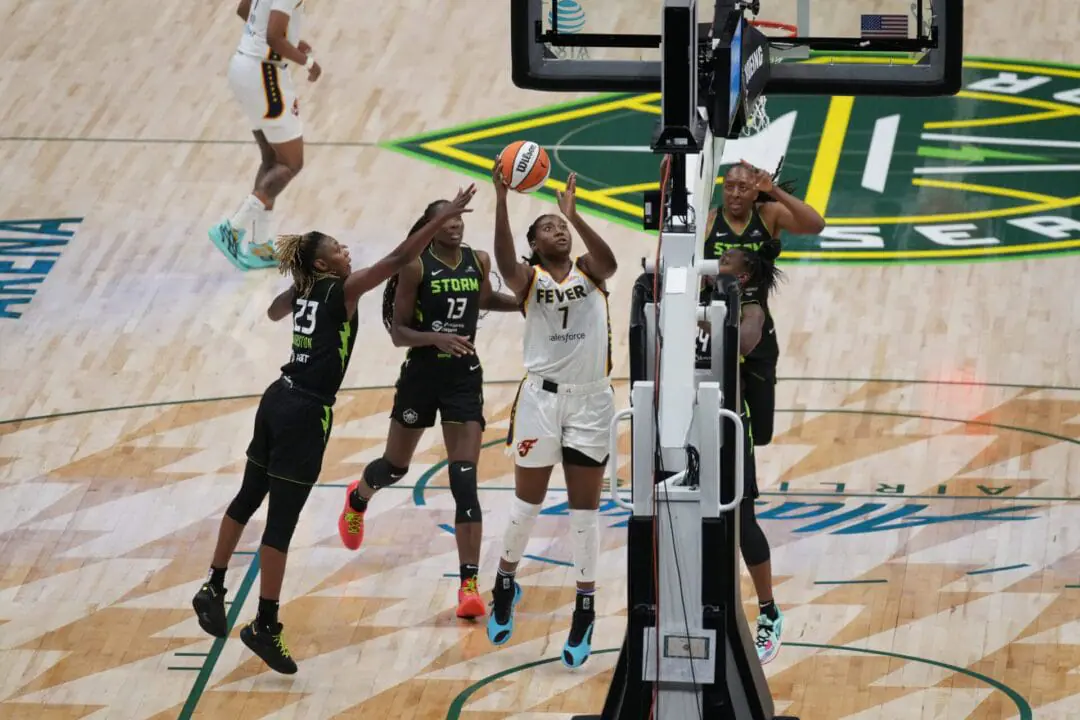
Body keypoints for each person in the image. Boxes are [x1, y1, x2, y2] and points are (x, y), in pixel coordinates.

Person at [190, 184, 476, 675]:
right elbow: (400, 256)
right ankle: (265, 624)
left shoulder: (304, 288)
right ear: (324, 265)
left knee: (246, 497)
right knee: (280, 525)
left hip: (275, 397)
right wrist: (440, 218)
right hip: (305, 413)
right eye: (338, 249)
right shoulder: (343, 289)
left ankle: (213, 585)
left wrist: (299, 283)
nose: (347, 252)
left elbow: (274, 311)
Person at [336, 200, 520, 620]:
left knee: (464, 477)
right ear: (431, 226)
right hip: (421, 375)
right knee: (395, 468)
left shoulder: (478, 259)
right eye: (446, 219)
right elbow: (399, 332)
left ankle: (469, 584)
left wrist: (529, 302)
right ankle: (359, 496)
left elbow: (489, 297)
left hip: (462, 378)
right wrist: (434, 338)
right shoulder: (416, 266)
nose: (455, 225)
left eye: (459, 218)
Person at [485, 168, 618, 669]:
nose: (556, 231)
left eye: (558, 226)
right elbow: (503, 260)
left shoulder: (590, 270)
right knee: (527, 505)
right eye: (547, 227)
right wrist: (501, 199)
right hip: (542, 402)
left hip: (591, 401)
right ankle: (503, 580)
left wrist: (575, 214)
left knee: (585, 515)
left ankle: (584, 607)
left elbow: (611, 260)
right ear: (535, 246)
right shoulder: (529, 279)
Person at [698, 160, 825, 447]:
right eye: (729, 187)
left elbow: (816, 224)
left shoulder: (768, 215)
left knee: (761, 433)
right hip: (714, 326)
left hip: (758, 327)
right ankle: (729, 484)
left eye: (743, 187)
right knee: (720, 424)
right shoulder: (707, 222)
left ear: (755, 192)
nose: (735, 194)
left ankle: (741, 475)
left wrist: (775, 191)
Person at [208, 0, 323, 271]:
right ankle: (232, 228)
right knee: (291, 163)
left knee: (272, 158)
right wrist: (306, 62)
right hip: (264, 73)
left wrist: (292, 41)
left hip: (245, 67)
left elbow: (244, 9)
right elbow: (272, 35)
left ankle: (260, 247)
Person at [714, 245, 786, 665]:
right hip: (689, 425)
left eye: (724, 261)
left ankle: (769, 612)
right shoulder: (701, 297)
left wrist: (710, 317)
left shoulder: (751, 306)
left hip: (730, 425)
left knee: (741, 524)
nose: (715, 261)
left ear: (739, 278)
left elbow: (743, 339)